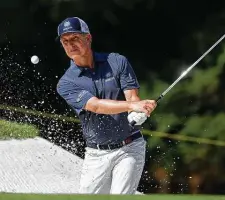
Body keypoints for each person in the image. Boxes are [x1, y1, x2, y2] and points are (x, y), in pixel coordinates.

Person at [56, 17, 156, 194]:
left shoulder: (117, 62)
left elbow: (132, 99)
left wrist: (139, 112)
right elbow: (95, 106)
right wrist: (132, 107)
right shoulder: (66, 83)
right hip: (96, 154)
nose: (70, 45)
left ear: (88, 38)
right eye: (65, 42)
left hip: (129, 147)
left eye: (75, 39)